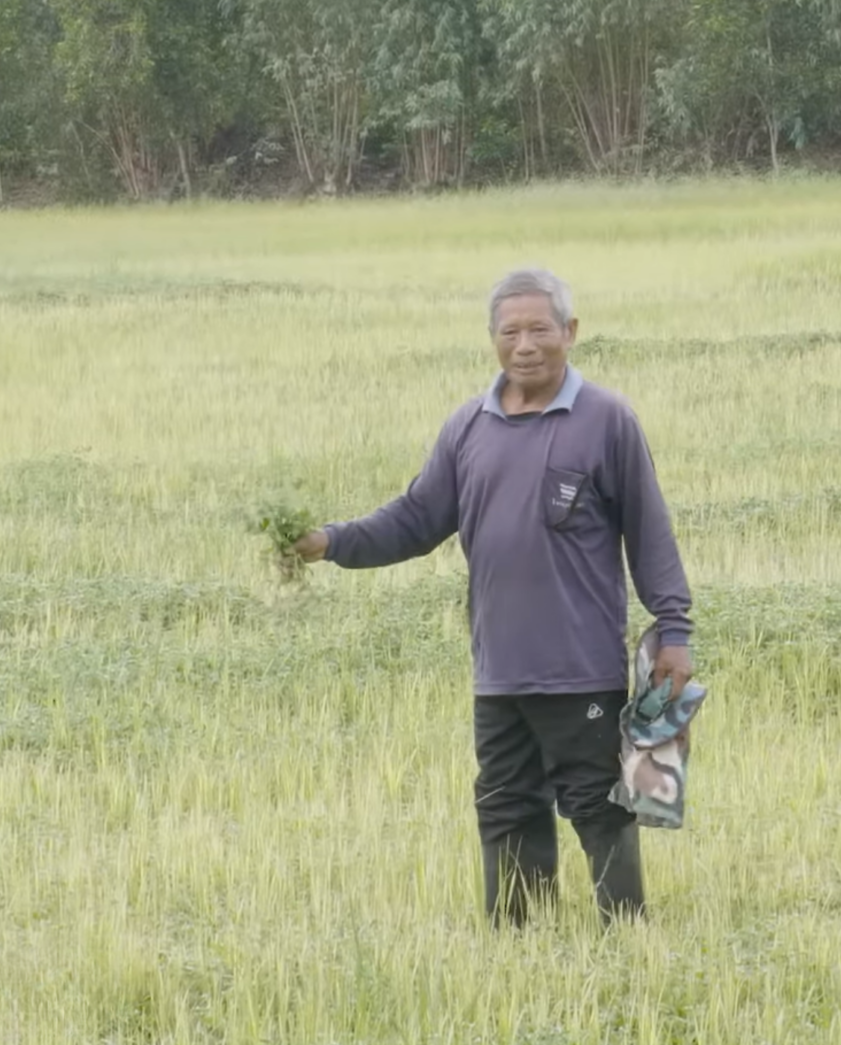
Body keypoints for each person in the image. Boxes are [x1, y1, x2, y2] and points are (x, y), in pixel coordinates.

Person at [291, 268, 693, 927]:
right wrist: (329, 541)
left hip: (580, 668)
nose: (526, 344)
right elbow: (415, 519)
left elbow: (650, 532)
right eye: (510, 331)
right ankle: (519, 936)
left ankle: (626, 933)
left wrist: (674, 630)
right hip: (498, 672)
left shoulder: (607, 422)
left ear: (570, 332)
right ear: (492, 339)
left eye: (540, 328)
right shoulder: (467, 428)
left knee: (599, 803)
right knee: (505, 802)